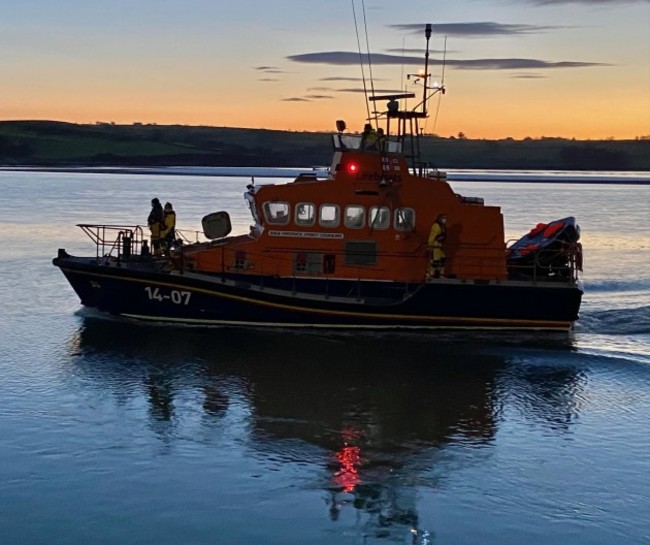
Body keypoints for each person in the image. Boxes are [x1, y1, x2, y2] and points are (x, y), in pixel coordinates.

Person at [427, 213, 447, 278]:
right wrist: (430, 246)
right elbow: (432, 237)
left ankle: (440, 274)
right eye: (443, 218)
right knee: (436, 260)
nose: (445, 219)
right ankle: (430, 274)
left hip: (439, 246)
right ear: (439, 218)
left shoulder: (442, 226)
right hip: (435, 246)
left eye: (445, 218)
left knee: (443, 259)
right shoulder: (436, 226)